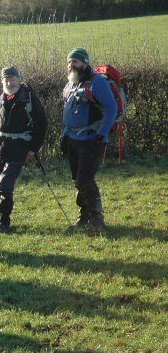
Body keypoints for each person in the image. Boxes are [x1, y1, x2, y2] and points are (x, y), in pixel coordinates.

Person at [0, 66, 48, 233]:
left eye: (12, 78)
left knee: (5, 184)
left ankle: (3, 223)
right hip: (0, 148)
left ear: (19, 79)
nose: (9, 82)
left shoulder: (29, 99)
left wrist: (33, 148)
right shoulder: (1, 99)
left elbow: (41, 125)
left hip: (19, 148)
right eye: (5, 79)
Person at [62, 48, 117, 230]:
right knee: (77, 179)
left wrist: (101, 134)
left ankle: (97, 220)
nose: (72, 65)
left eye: (76, 62)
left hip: (92, 140)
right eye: (69, 62)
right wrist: (64, 135)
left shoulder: (97, 83)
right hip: (72, 139)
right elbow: (66, 112)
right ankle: (84, 217)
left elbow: (111, 109)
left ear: (85, 63)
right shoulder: (70, 84)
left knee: (84, 180)